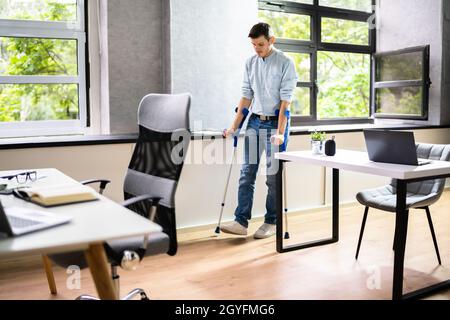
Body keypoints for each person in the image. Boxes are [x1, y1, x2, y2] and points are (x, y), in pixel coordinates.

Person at [220, 22, 298, 239]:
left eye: (261, 44)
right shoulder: (250, 63)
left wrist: (281, 132)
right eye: (253, 44)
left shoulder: (285, 62)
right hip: (254, 122)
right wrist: (233, 127)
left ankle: (271, 222)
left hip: (276, 123)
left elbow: (285, 103)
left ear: (271, 40)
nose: (257, 48)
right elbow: (246, 96)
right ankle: (240, 221)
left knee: (272, 177)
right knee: (247, 174)